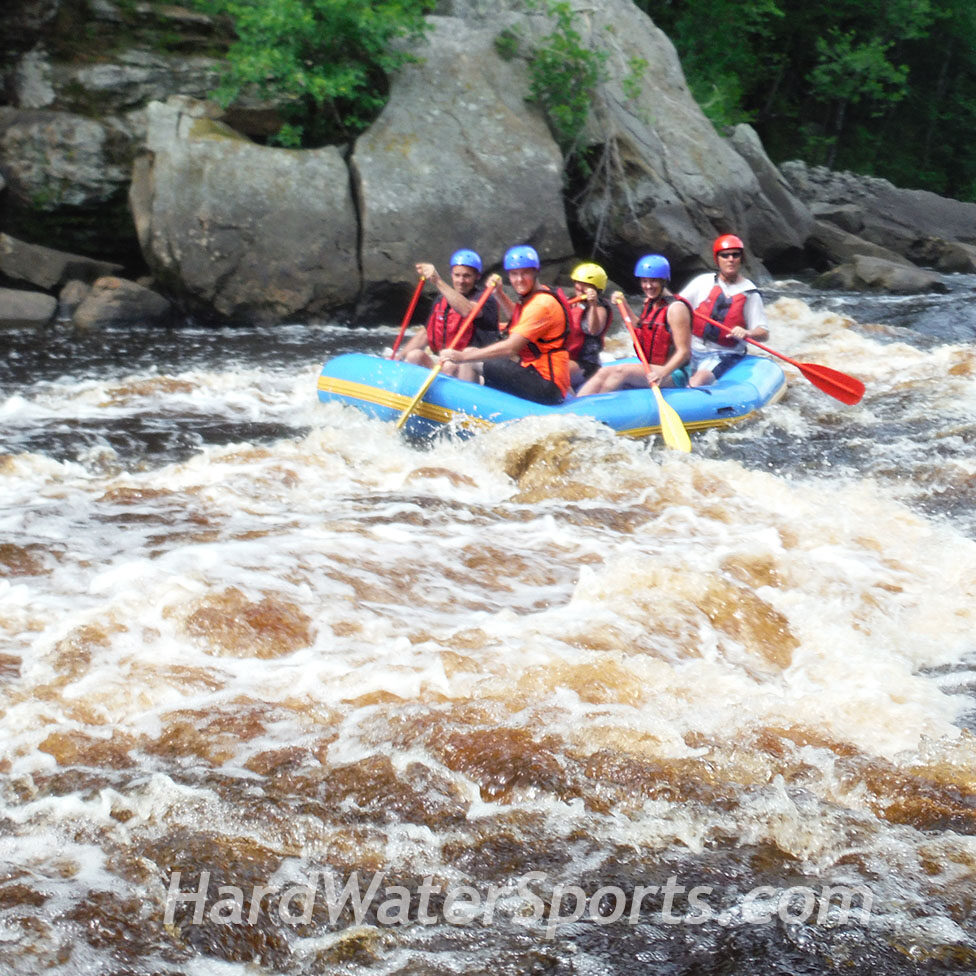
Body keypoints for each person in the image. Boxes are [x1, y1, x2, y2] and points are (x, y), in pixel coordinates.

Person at [438, 245, 570, 404]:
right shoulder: (539, 295)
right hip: (535, 373)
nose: (519, 279)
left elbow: (510, 348)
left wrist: (462, 357)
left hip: (546, 385)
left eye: (525, 273)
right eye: (514, 274)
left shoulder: (542, 304)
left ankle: (461, 407)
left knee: (470, 358)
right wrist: (499, 293)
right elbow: (520, 318)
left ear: (536, 272)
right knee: (471, 351)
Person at [577, 254, 692, 395]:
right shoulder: (651, 302)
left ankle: (591, 407)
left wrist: (663, 372)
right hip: (653, 367)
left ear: (664, 280)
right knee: (604, 371)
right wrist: (624, 304)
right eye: (644, 281)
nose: (648, 286)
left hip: (674, 373)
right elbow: (641, 327)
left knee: (621, 371)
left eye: (653, 281)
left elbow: (684, 351)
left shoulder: (676, 309)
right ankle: (578, 403)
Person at [392, 248, 499, 382]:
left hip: (475, 367)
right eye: (457, 275)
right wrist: (399, 357)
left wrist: (437, 280)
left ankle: (461, 398)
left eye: (467, 276)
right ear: (452, 275)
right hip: (445, 363)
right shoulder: (441, 300)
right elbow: (425, 334)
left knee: (458, 359)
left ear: (477, 277)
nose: (461, 280)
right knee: (414, 356)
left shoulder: (486, 299)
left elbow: (468, 311)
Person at [679, 233, 768, 387]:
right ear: (717, 259)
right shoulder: (703, 282)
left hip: (723, 353)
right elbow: (677, 306)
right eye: (725, 255)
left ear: (742, 258)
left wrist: (747, 333)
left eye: (735, 255)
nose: (730, 259)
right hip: (692, 347)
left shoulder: (750, 293)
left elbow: (763, 333)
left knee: (698, 381)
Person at [565, 261, 612, 388]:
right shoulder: (570, 302)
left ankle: (569, 402)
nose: (579, 287)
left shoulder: (599, 308)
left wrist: (592, 305)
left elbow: (594, 330)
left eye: (584, 284)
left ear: (596, 288)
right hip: (565, 357)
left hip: (586, 364)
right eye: (577, 282)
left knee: (556, 371)